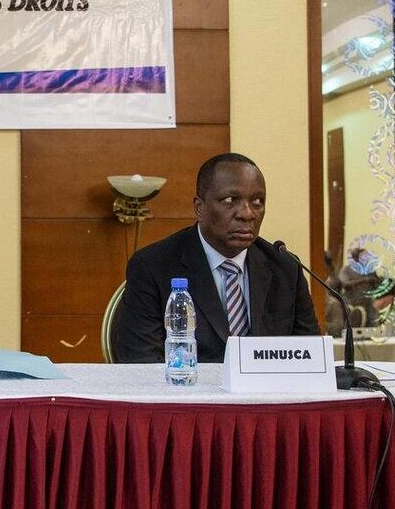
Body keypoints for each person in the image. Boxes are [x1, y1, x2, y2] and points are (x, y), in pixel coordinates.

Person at [112, 153, 319, 363]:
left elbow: (312, 360)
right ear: (199, 208)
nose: (247, 214)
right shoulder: (153, 267)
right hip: (187, 384)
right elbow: (141, 363)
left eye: (257, 201)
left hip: (267, 385)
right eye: (230, 200)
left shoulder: (285, 268)